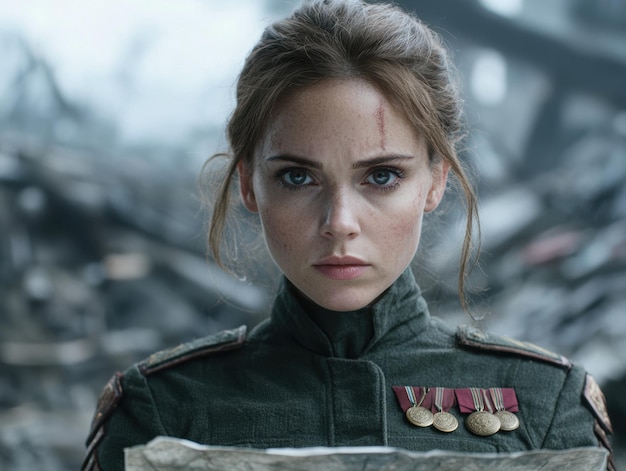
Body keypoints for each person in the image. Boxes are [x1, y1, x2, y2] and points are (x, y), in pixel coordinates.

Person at [82, 1, 614, 470]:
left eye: (381, 177)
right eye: (297, 177)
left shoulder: (546, 402)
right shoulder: (161, 408)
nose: (339, 221)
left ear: (435, 182)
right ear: (248, 184)